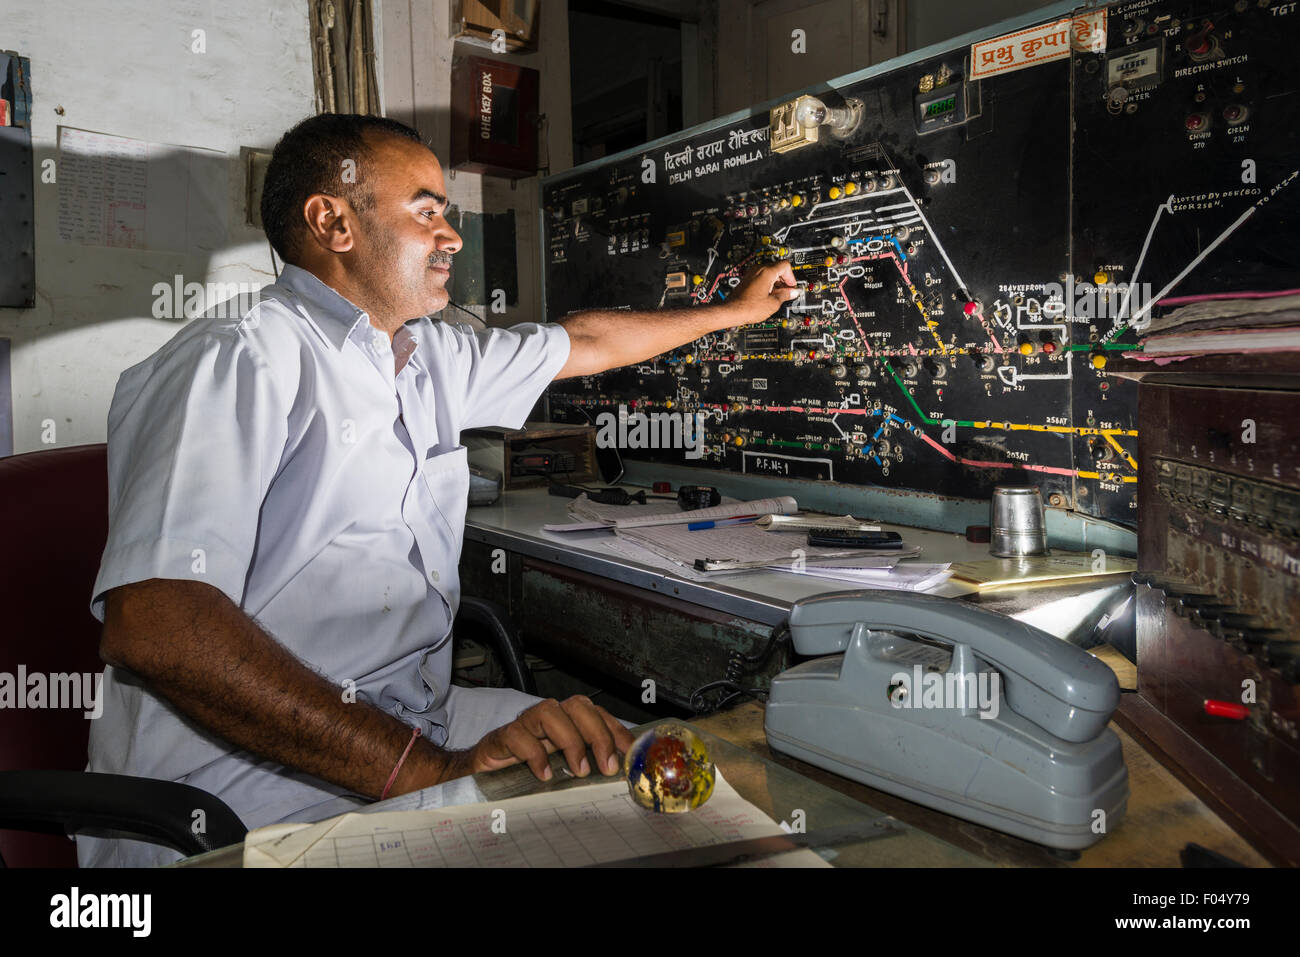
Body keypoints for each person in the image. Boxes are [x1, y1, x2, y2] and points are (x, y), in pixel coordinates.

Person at [78, 113, 799, 867]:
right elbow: (157, 625)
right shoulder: (238, 361)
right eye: (426, 210)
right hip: (231, 786)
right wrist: (425, 773)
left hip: (411, 718)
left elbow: (582, 340)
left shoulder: (428, 358)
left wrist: (738, 312)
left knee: (629, 775)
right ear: (333, 222)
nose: (451, 236)